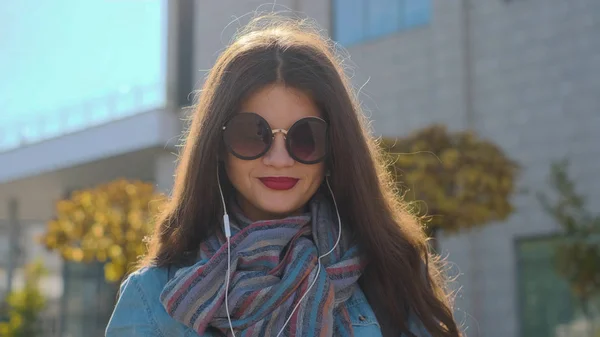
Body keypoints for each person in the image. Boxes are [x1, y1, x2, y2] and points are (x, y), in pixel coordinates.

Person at [105, 14, 461, 337]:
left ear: (336, 147)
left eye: (306, 138)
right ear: (217, 145)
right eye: (252, 133)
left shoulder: (392, 273)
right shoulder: (152, 297)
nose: (279, 159)